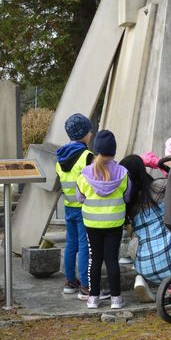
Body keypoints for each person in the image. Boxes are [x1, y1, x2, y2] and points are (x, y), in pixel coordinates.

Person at [76, 130, 132, 309]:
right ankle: (116, 299)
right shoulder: (123, 173)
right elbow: (127, 196)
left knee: (95, 259)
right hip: (114, 223)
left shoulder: (85, 174)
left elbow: (80, 197)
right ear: (114, 151)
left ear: (96, 150)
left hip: (92, 223)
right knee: (112, 260)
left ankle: (93, 298)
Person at [120, 155, 171, 302]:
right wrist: (159, 165)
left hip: (144, 265)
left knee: (136, 242)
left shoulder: (127, 202)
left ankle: (141, 279)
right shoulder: (159, 187)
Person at [56, 113, 93, 296]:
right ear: (85, 133)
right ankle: (86, 285)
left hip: (68, 205)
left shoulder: (60, 156)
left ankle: (70, 281)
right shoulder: (87, 155)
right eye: (89, 130)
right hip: (83, 207)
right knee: (84, 245)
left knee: (70, 244)